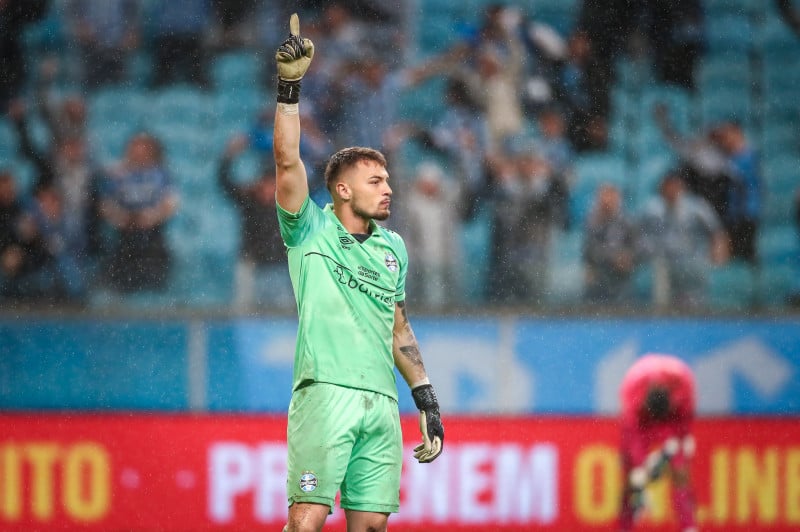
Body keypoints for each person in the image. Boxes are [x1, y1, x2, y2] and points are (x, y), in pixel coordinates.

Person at [273, 14, 444, 532]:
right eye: (375, 180)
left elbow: (399, 328)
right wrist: (289, 88)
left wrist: (426, 398)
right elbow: (286, 162)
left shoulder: (394, 249)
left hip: (381, 401)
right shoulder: (308, 230)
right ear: (343, 190)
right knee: (308, 520)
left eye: (387, 178)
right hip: (325, 393)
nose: (388, 187)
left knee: (370, 527)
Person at [618, 353, 698, 532]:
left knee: (680, 470)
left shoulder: (683, 385)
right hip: (639, 417)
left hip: (673, 418)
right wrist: (640, 475)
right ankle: (624, 527)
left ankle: (689, 527)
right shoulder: (632, 392)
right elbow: (635, 441)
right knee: (631, 474)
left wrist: (681, 448)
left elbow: (684, 429)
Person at [217, 134, 293, 312]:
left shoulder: (289, 203)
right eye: (266, 183)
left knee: (285, 310)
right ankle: (242, 333)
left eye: (273, 183)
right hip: (251, 263)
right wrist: (228, 156)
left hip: (280, 265)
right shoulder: (248, 200)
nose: (268, 188)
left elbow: (318, 178)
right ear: (259, 182)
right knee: (244, 307)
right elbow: (224, 182)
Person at [638, 171, 729, 309]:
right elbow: (639, 233)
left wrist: (719, 250)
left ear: (682, 188)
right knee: (659, 276)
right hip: (664, 260)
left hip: (692, 259)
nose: (672, 191)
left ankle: (700, 314)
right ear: (662, 189)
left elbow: (716, 231)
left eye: (675, 187)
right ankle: (661, 314)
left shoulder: (696, 207)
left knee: (696, 294)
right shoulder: (651, 208)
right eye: (668, 187)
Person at [582, 183, 638, 304]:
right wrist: (614, 257)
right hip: (599, 273)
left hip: (622, 275)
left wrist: (628, 256)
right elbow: (589, 249)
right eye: (604, 197)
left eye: (611, 197)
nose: (607, 202)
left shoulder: (628, 221)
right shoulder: (591, 222)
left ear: (618, 200)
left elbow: (637, 246)